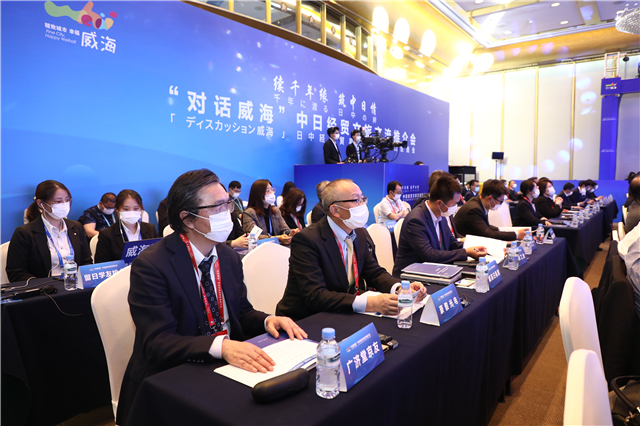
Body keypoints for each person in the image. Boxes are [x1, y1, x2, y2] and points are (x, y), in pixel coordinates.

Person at [115, 169, 306, 426]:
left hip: (226, 368)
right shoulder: (152, 265)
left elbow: (240, 312)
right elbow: (158, 343)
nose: (227, 213)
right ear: (188, 218)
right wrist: (222, 346)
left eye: (227, 203)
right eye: (217, 206)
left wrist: (267, 320)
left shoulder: (227, 256)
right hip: (173, 377)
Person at [275, 179, 427, 321]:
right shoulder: (307, 240)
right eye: (356, 200)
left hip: (343, 310)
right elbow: (315, 295)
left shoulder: (359, 232)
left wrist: (400, 288)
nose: (362, 205)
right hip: (306, 319)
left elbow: (374, 272)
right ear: (335, 210)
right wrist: (370, 303)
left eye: (363, 199)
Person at [393, 175, 487, 277]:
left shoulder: (441, 214)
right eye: (454, 204)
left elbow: (451, 243)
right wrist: (466, 252)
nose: (456, 207)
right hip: (411, 277)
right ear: (439, 204)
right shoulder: (416, 220)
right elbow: (429, 255)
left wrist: (473, 248)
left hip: (436, 270)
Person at [6, 180, 92, 282]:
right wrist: (44, 286)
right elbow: (16, 273)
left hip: (74, 285)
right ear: (41, 203)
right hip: (44, 289)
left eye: (67, 200)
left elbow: (86, 262)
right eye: (58, 201)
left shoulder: (76, 227)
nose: (64, 205)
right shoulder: (24, 233)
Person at [94, 190, 158, 263]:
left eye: (136, 209)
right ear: (117, 210)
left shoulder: (150, 228)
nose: (131, 212)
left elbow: (157, 256)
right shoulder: (107, 234)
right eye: (126, 209)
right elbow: (102, 264)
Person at [454, 179, 527, 241]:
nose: (500, 204)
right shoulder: (474, 209)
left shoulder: (479, 202)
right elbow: (488, 234)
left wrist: (508, 230)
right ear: (490, 198)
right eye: (500, 201)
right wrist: (516, 235)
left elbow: (486, 226)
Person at [242, 179, 297, 243]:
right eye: (268, 190)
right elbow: (253, 236)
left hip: (277, 246)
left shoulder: (276, 210)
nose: (271, 193)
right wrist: (277, 238)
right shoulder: (249, 213)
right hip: (260, 247)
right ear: (259, 194)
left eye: (272, 189)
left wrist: (290, 232)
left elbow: (284, 229)